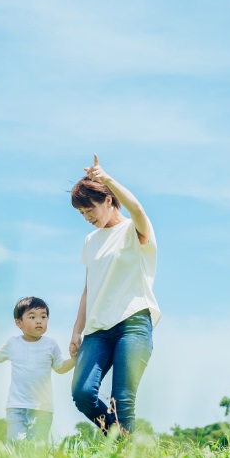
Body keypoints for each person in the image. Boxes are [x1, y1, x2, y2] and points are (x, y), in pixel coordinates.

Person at [68, 155, 160, 435]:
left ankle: (124, 455)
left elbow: (138, 209)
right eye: (82, 214)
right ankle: (122, 440)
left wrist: (106, 178)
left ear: (108, 200)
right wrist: (77, 330)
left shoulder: (134, 229)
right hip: (97, 330)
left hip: (132, 323)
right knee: (82, 393)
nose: (87, 218)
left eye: (90, 209)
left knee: (121, 401)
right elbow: (89, 288)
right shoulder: (90, 241)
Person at [0, 296, 74, 442]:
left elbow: (60, 367)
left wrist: (75, 360)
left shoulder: (51, 345)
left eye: (43, 317)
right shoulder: (13, 343)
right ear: (19, 323)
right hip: (16, 406)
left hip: (42, 408)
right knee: (15, 443)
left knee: (38, 446)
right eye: (32, 317)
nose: (39, 321)